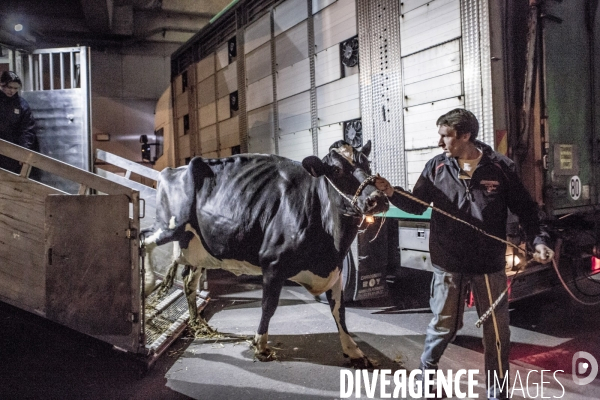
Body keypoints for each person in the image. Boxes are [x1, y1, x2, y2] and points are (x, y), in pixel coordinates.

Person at [375, 108, 554, 400]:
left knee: (497, 332)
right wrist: (391, 193)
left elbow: (527, 210)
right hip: (449, 261)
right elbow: (417, 204)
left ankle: (498, 393)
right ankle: (426, 375)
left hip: (488, 263)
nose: (439, 142)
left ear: (465, 136)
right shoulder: (436, 167)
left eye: (445, 136)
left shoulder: (500, 167)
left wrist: (539, 240)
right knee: (446, 325)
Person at [0, 71, 38, 174]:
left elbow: (27, 130)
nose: (12, 91)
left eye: (15, 88)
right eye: (9, 87)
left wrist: (24, 151)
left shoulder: (22, 105)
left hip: (14, 151)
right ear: (2, 84)